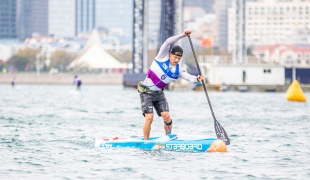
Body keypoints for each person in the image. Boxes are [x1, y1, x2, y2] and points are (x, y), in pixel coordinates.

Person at [137, 29, 204, 140]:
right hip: (146, 93)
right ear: (170, 54)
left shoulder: (178, 70)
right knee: (149, 118)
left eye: (179, 58)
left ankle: (168, 139)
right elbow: (168, 42)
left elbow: (189, 78)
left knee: (166, 116)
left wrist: (198, 78)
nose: (176, 60)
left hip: (159, 94)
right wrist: (183, 35)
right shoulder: (162, 57)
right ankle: (146, 141)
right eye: (175, 57)